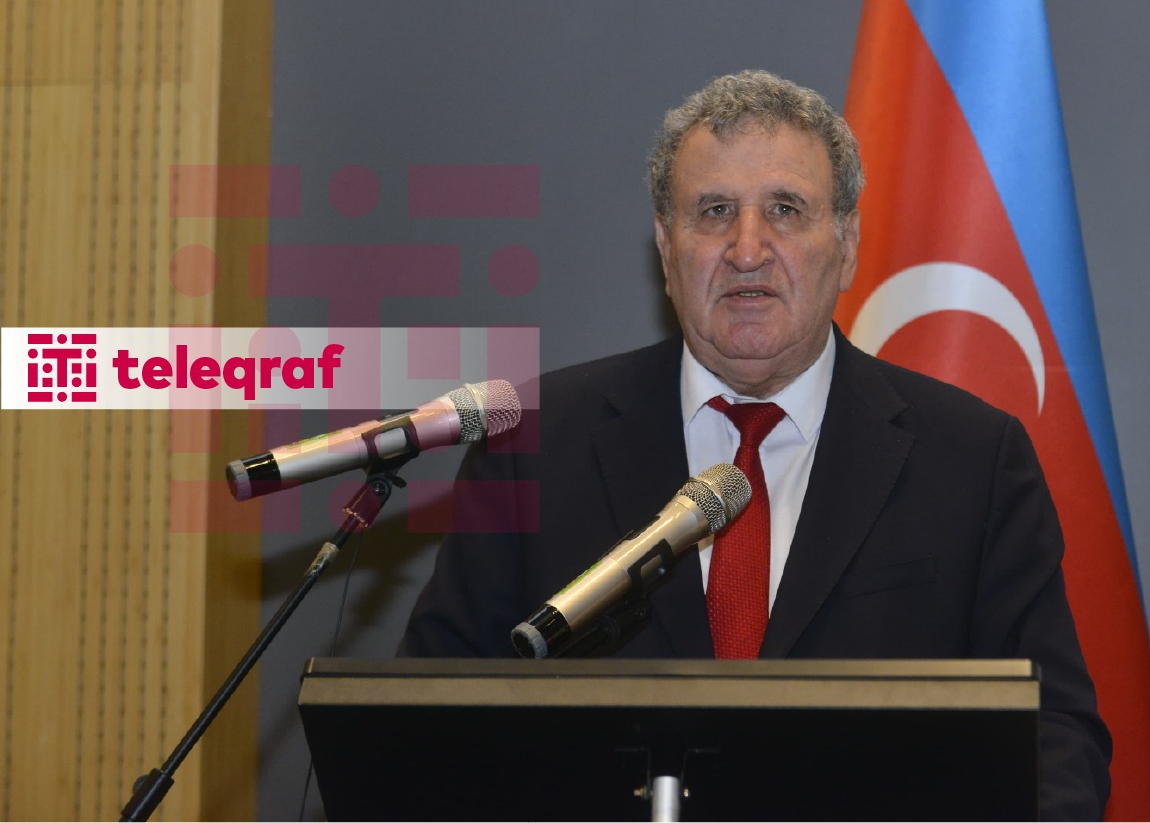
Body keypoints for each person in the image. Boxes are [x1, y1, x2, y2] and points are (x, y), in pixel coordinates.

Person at [400, 70, 1112, 819]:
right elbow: (429, 722)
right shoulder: (537, 446)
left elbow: (1053, 737)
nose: (747, 249)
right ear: (666, 247)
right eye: (714, 212)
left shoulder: (973, 460)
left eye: (785, 209)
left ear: (846, 243)